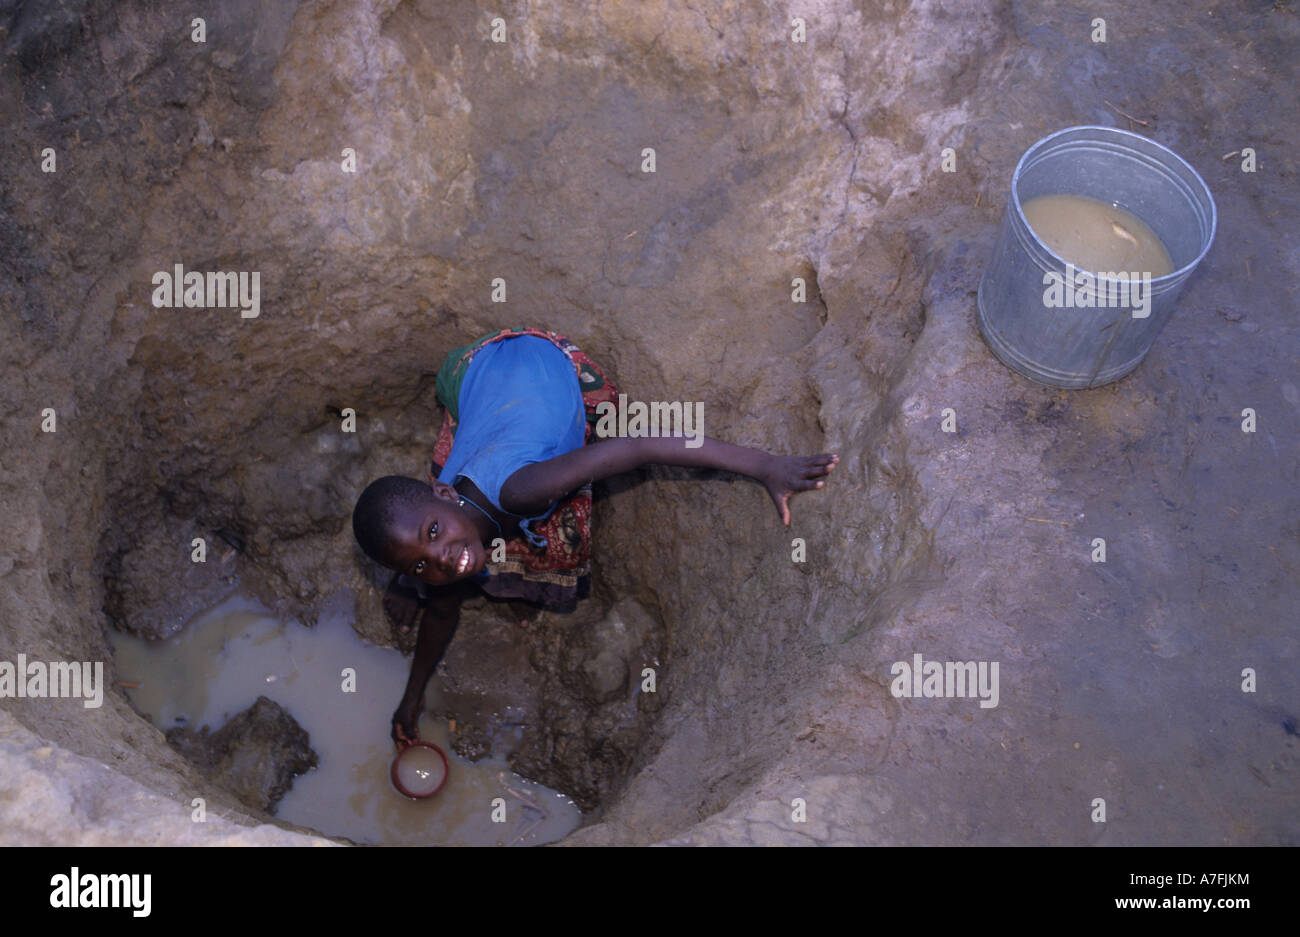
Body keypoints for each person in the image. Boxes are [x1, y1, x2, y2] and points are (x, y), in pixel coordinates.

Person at [352, 328, 837, 742]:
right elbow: (442, 604)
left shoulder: (525, 488)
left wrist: (766, 466)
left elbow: (640, 447)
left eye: (432, 533)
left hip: (534, 361)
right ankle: (428, 574)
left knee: (559, 535)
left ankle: (497, 586)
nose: (439, 556)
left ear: (443, 492)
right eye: (418, 564)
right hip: (491, 391)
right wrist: (409, 702)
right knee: (447, 579)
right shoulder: (447, 512)